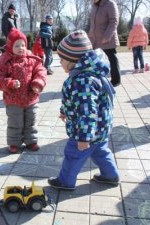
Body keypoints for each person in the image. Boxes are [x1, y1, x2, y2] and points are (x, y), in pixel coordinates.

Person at [48, 30, 119, 190]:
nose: (60, 62)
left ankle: (65, 181)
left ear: (73, 60)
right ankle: (110, 176)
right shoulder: (87, 74)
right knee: (101, 151)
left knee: (73, 154)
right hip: (101, 128)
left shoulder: (83, 81)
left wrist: (84, 138)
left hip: (86, 131)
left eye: (62, 59)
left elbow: (87, 112)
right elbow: (75, 101)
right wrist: (64, 110)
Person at [0, 28, 47, 153]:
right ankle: (14, 143)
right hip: (13, 100)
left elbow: (41, 71)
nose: (20, 48)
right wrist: (9, 83)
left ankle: (31, 141)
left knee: (30, 121)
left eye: (23, 45)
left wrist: (38, 82)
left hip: (31, 97)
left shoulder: (32, 58)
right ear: (10, 46)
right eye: (16, 45)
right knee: (15, 123)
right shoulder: (6, 61)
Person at [88, 0, 121, 87]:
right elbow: (93, 25)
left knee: (111, 58)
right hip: (95, 40)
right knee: (96, 61)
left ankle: (116, 80)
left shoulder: (110, 4)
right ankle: (97, 80)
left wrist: (107, 36)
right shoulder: (94, 6)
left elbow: (114, 22)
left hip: (107, 39)